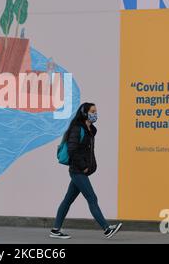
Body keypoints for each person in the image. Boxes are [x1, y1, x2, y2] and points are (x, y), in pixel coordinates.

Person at [50, 102, 123, 239]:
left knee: (67, 200)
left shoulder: (90, 130)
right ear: (85, 113)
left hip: (81, 171)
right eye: (92, 111)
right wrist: (83, 166)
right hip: (77, 171)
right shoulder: (77, 129)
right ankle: (107, 229)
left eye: (96, 111)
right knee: (92, 198)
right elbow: (72, 150)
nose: (95, 114)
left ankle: (55, 230)